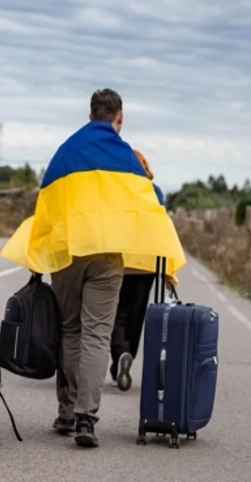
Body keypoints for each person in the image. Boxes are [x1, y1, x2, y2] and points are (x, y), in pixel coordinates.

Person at [0, 88, 185, 448]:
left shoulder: (66, 152)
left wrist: (37, 256)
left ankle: (67, 412)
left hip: (69, 253)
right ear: (120, 118)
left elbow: (46, 208)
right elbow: (150, 207)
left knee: (70, 330)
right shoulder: (127, 158)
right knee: (98, 334)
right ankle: (86, 417)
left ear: (90, 115)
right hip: (107, 257)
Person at [108, 149, 164, 391]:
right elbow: (163, 229)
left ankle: (120, 354)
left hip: (118, 259)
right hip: (146, 262)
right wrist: (170, 271)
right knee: (136, 315)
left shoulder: (114, 190)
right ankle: (125, 357)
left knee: (114, 313)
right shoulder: (155, 192)